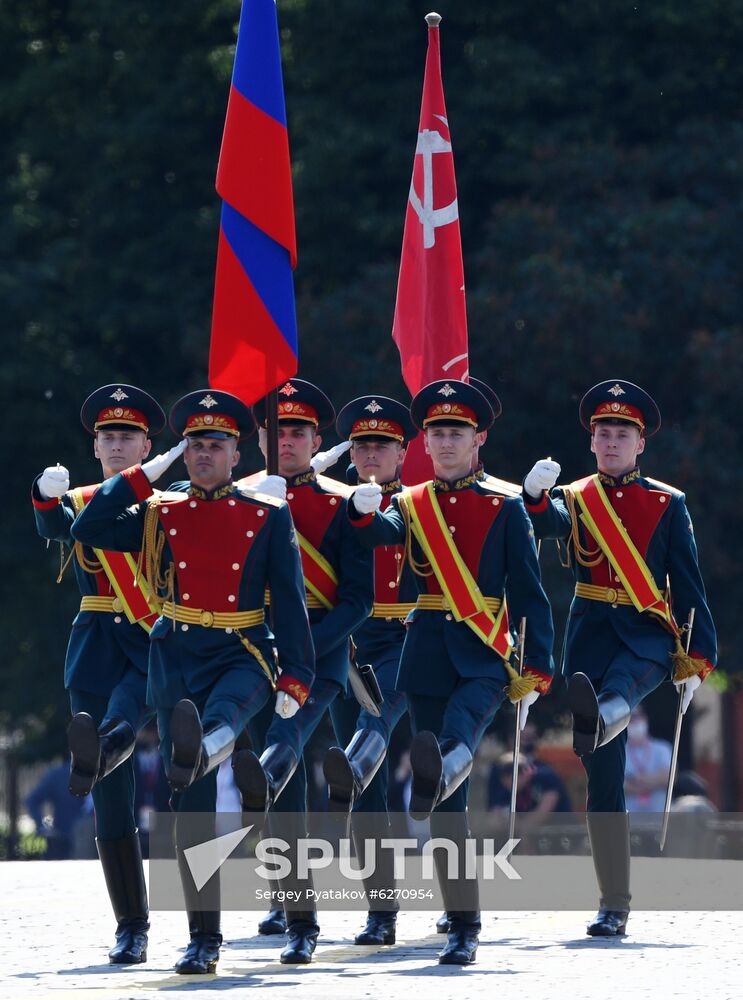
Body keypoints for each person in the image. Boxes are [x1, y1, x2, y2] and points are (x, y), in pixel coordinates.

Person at [71, 388, 314, 974]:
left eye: (215, 445)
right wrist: (142, 475)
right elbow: (90, 525)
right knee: (192, 810)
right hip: (177, 651)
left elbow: (291, 601)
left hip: (242, 647)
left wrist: (298, 678)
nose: (204, 454)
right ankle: (204, 938)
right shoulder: (161, 511)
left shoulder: (266, 513)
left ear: (237, 453)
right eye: (195, 445)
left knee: (225, 721)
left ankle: (302, 922)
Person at [347, 379, 554, 965]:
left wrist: (538, 666)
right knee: (445, 805)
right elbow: (383, 536)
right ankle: (463, 920)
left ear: (479, 437)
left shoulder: (505, 505)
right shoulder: (410, 503)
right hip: (428, 651)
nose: (443, 441)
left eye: (455, 431)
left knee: (455, 739)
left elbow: (530, 594)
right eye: (436, 432)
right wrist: (364, 515)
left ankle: (463, 921)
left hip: (486, 652)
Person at [522, 379, 717, 937]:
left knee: (621, 691)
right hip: (590, 634)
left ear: (640, 444)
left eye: (621, 434)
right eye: (602, 433)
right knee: (604, 785)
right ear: (591, 442)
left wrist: (700, 658)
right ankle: (614, 902)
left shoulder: (666, 502)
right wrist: (535, 497)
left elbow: (690, 585)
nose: (610, 442)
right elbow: (539, 526)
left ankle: (606, 712)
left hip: (648, 633)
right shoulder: (575, 497)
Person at [231, 378, 374, 965]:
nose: (285, 440)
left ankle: (302, 923)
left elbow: (357, 600)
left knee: (283, 755)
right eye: (276, 429)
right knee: (276, 788)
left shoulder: (343, 503)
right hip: (245, 652)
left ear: (317, 439)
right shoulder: (238, 496)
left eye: (297, 431)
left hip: (317, 655)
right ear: (261, 436)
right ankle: (288, 903)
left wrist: (301, 651)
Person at [32, 383, 165, 964]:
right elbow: (53, 526)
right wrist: (41, 495)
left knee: (124, 719)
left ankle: (106, 742)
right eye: (108, 437)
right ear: (95, 446)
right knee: (112, 797)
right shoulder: (82, 499)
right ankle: (130, 926)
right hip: (94, 646)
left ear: (146, 443)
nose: (117, 445)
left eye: (127, 436)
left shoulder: (174, 497)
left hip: (153, 640)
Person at [320, 394, 416, 947]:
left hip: (407, 637)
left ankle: (456, 904)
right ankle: (382, 911)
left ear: (402, 453)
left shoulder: (420, 504)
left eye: (381, 446)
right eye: (361, 446)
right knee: (370, 793)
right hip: (347, 641)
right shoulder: (332, 506)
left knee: (373, 729)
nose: (370, 455)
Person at [25, 760, 92, 859]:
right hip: (68, 844)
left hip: (103, 843)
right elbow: (32, 800)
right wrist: (42, 827)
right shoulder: (61, 775)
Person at [623, 706, 672, 813]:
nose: (634, 721)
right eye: (630, 718)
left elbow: (667, 777)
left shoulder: (662, 748)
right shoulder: (620, 752)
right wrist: (653, 781)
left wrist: (635, 779)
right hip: (630, 821)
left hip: (659, 818)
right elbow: (619, 784)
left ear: (645, 719)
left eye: (637, 716)